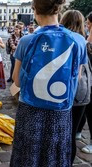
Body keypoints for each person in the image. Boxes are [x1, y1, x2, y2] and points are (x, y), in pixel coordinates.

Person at [10, 0, 88, 166]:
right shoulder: (79, 40)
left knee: (28, 155)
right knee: (55, 155)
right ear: (58, 10)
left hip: (30, 109)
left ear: (35, 11)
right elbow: (78, 77)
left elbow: (16, 80)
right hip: (60, 111)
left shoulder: (26, 40)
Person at [60, 9, 89, 164]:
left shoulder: (66, 41)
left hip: (71, 92)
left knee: (66, 133)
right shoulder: (84, 41)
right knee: (71, 132)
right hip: (83, 92)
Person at [75, 11, 92, 154]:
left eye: (88, 22)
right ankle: (78, 131)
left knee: (89, 110)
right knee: (84, 108)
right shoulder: (85, 40)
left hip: (89, 82)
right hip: (88, 83)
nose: (86, 24)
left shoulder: (86, 41)